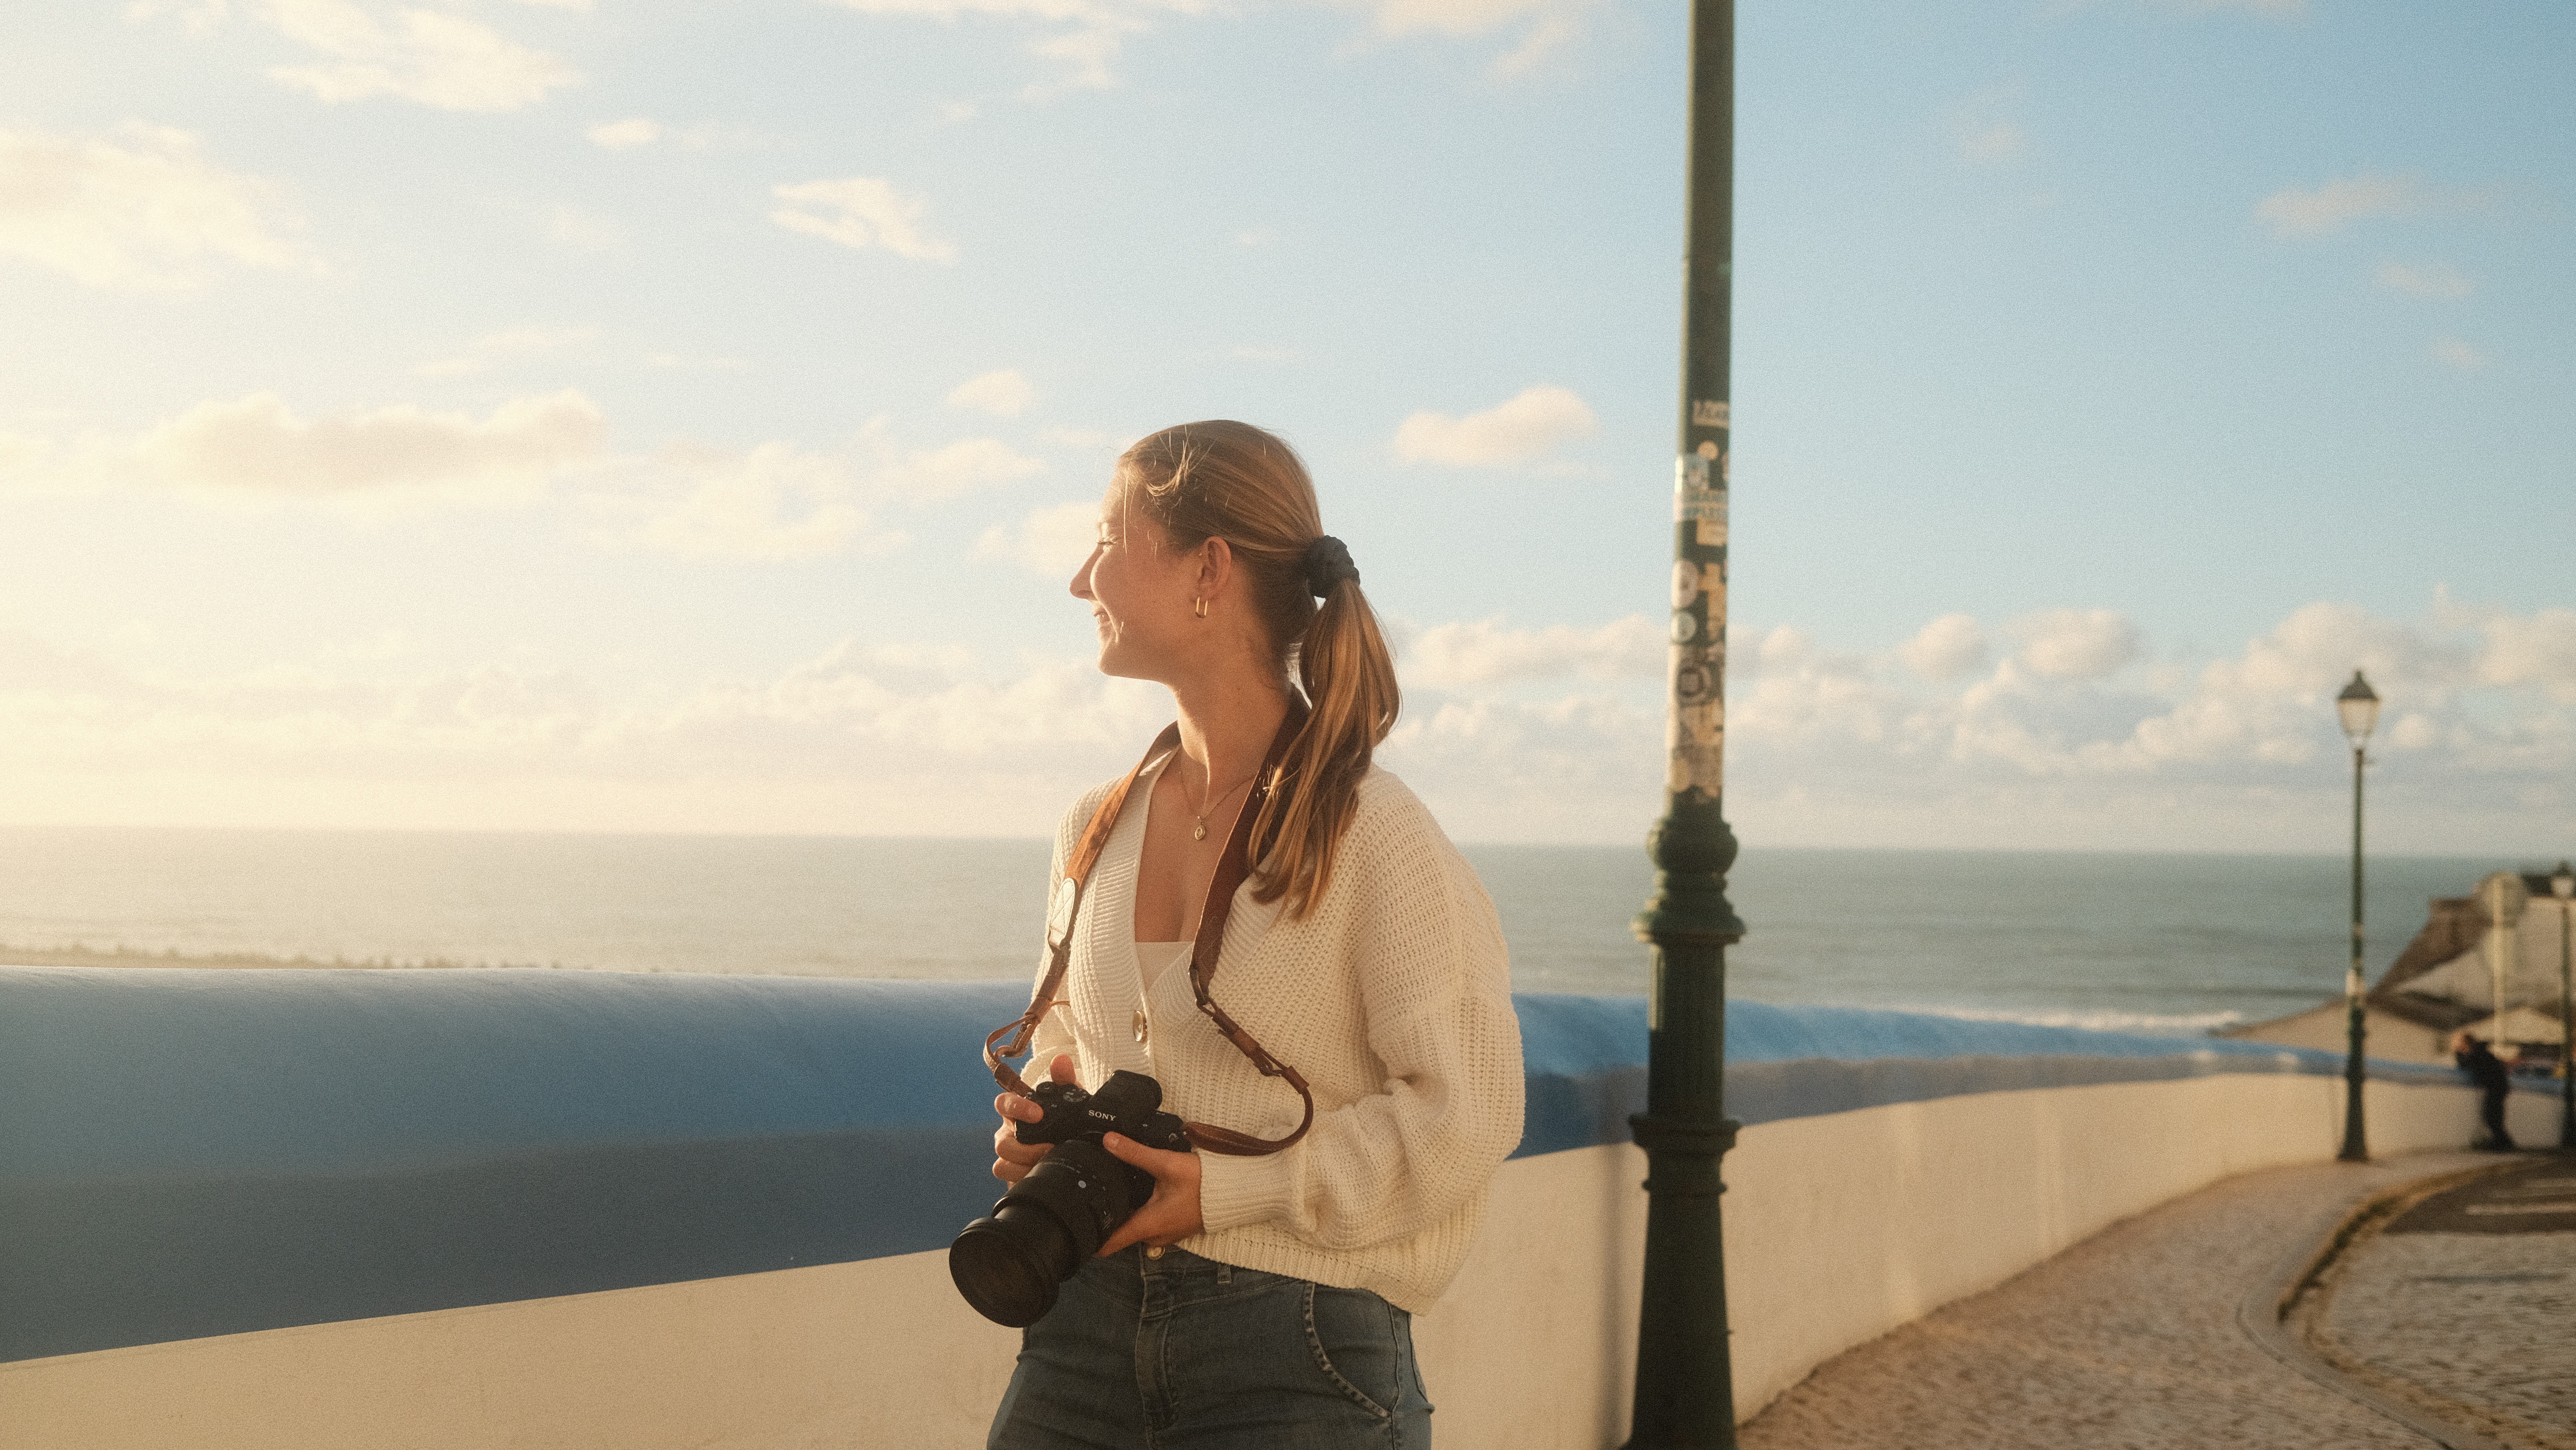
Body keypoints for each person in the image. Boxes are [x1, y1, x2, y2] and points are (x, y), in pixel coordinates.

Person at [983, 421, 1525, 1450]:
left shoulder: (1373, 829)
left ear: (1208, 568)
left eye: (1105, 538)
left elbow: (1468, 1110)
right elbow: (1073, 1029)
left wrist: (1236, 1188)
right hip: (1081, 1323)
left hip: (1298, 1342)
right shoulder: (1094, 823)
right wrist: (1050, 1103)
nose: (1077, 579)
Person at [2452, 1033, 2515, 1151]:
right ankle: (2503, 1144)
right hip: (2498, 1086)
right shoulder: (2481, 1052)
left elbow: (2465, 1065)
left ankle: (2504, 1145)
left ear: (2465, 1044)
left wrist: (2458, 1053)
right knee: (2493, 1116)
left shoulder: (2476, 1054)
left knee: (2492, 1116)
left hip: (2496, 1086)